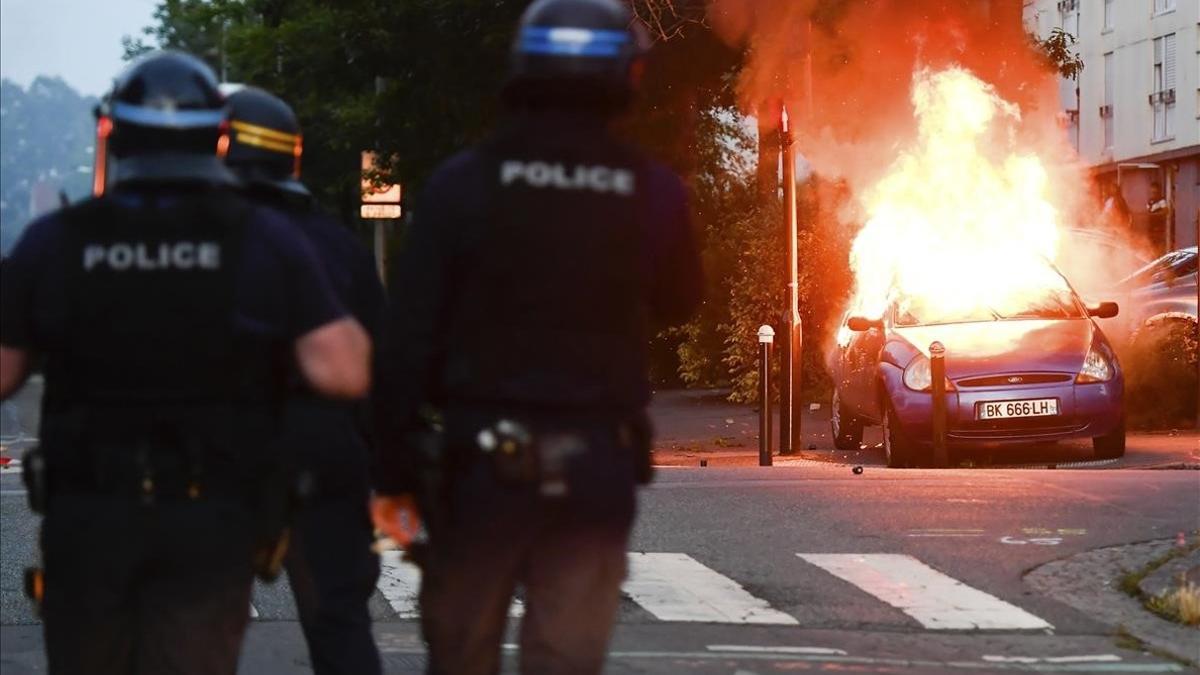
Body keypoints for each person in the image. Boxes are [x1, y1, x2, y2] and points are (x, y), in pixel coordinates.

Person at [0, 51, 370, 675]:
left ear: (113, 133)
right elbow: (345, 370)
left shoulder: (55, 240)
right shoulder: (264, 236)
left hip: (89, 515)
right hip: (210, 517)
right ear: (218, 137)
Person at [370, 0, 704, 673]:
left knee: (461, 651)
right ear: (626, 75)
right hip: (594, 468)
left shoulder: (462, 182)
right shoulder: (653, 190)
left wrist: (393, 469)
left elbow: (407, 336)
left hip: (480, 465)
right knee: (567, 656)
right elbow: (681, 300)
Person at [223, 85, 385, 675]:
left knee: (196, 627)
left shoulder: (194, 240)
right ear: (290, 155)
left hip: (218, 460)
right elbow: (378, 364)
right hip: (323, 456)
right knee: (339, 623)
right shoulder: (336, 244)